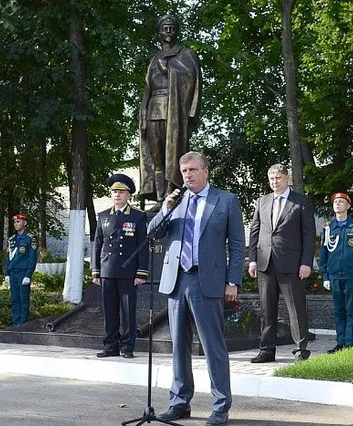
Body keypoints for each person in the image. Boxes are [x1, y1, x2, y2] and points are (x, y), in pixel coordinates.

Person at [148, 151, 244, 426]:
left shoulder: (225, 201)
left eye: (192, 170)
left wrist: (232, 281)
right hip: (178, 280)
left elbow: (236, 245)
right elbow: (152, 232)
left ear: (205, 171)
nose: (187, 175)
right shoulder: (177, 202)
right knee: (178, 345)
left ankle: (221, 405)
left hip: (208, 281)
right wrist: (165, 208)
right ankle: (179, 402)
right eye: (184, 171)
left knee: (213, 345)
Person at [247, 164, 315, 363]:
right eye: (271, 179)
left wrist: (306, 263)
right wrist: (252, 260)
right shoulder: (262, 201)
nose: (274, 182)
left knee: (296, 309)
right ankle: (267, 350)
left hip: (292, 264)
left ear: (287, 179)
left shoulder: (300, 202)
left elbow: (309, 235)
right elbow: (254, 232)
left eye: (278, 178)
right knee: (267, 310)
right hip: (265, 263)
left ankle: (301, 350)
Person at [139, 14, 202, 210]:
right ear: (159, 32)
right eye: (164, 28)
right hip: (153, 111)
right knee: (156, 157)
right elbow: (147, 90)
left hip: (173, 111)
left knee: (172, 156)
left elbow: (192, 80)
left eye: (171, 27)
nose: (168, 31)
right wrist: (142, 115)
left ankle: (171, 195)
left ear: (177, 30)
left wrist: (168, 70)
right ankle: (159, 199)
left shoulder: (186, 54)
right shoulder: (154, 59)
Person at [92, 174, 149, 359]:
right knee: (109, 311)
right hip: (108, 270)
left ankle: (127, 347)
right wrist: (96, 271)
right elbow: (97, 245)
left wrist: (141, 272)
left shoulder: (138, 216)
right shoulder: (103, 216)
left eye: (121, 192)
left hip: (128, 271)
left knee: (128, 312)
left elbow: (142, 246)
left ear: (128, 195)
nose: (117, 195)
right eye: (114, 191)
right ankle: (110, 346)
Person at [318, 193, 353, 354]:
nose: (337, 204)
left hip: (351, 277)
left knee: (351, 311)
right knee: (339, 311)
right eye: (335, 202)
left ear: (348, 206)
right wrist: (325, 276)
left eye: (341, 202)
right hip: (334, 276)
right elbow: (324, 254)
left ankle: (350, 344)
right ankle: (340, 343)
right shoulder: (328, 228)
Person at [4, 214, 38, 326]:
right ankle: (16, 322)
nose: (16, 224)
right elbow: (8, 258)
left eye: (18, 222)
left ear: (25, 223)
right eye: (15, 222)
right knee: (15, 299)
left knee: (24, 299)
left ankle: (23, 323)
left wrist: (28, 275)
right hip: (13, 273)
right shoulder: (12, 239)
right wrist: (7, 273)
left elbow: (32, 258)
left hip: (23, 273)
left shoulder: (30, 238)